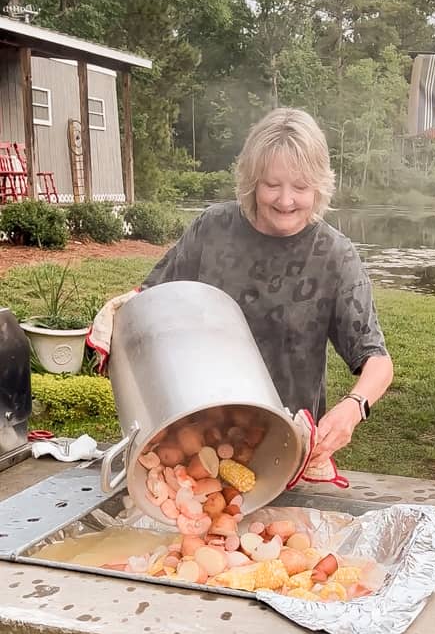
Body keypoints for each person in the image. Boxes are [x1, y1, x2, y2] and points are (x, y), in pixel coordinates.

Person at [140, 108, 393, 465]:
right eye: (272, 185)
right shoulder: (213, 229)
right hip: (192, 440)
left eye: (301, 187)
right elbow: (150, 301)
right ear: (252, 182)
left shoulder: (334, 255)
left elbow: (377, 361)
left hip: (285, 449)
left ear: (319, 186)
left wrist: (353, 408)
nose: (285, 200)